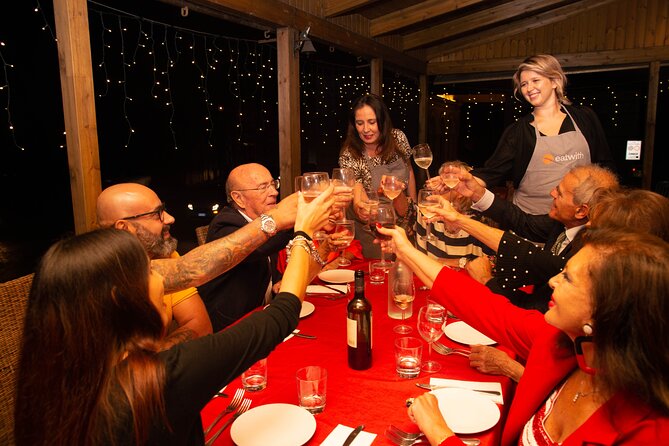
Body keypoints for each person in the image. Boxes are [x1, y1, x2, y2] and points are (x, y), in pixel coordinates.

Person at [15, 185, 335, 446]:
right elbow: (280, 316)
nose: (164, 276)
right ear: (123, 298)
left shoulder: (50, 380)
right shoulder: (159, 379)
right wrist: (302, 234)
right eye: (150, 272)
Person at [378, 225, 669, 445]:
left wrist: (441, 434)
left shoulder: (649, 429)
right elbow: (479, 304)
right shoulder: (561, 343)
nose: (553, 281)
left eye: (567, 277)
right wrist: (405, 249)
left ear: (607, 309)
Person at [438, 164, 618, 312]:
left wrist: (486, 280)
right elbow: (522, 221)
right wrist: (477, 193)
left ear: (581, 211)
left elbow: (536, 306)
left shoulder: (588, 250)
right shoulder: (563, 224)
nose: (552, 193)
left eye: (560, 193)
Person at [471, 55, 616, 215]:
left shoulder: (584, 118)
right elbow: (492, 172)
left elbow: (605, 166)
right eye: (524, 84)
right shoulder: (518, 131)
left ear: (554, 81)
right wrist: (458, 181)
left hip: (578, 221)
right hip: (528, 221)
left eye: (535, 80)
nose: (528, 88)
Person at [97, 183, 212, 347]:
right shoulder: (101, 274)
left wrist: (156, 355)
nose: (170, 218)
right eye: (157, 214)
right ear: (124, 227)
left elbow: (201, 325)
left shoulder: (165, 256)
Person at [198, 163, 295, 331]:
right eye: (263, 187)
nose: (274, 192)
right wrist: (294, 223)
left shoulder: (263, 218)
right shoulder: (225, 224)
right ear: (238, 198)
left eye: (273, 184)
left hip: (262, 313)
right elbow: (258, 249)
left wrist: (278, 280)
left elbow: (267, 261)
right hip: (232, 326)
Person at [339, 93, 417, 257]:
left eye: (372, 122)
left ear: (382, 121)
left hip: (405, 216)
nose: (366, 129)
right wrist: (362, 208)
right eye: (360, 123)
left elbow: (409, 171)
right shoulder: (350, 154)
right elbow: (357, 191)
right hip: (374, 227)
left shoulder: (398, 138)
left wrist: (415, 208)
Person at [417, 161, 494, 269]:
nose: (435, 189)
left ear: (460, 193)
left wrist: (460, 262)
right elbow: (405, 212)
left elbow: (492, 263)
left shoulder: (479, 223)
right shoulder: (427, 214)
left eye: (444, 186)